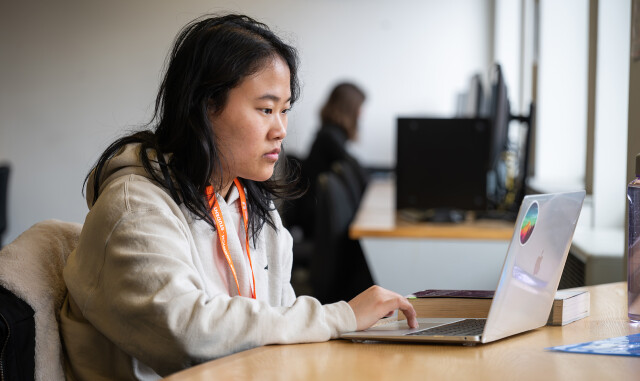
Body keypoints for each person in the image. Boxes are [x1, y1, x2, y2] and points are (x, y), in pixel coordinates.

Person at [59, 14, 417, 380]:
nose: (280, 130)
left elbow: (283, 323)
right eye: (265, 109)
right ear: (205, 106)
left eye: (285, 110)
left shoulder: (253, 204)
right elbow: (190, 334)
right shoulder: (134, 207)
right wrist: (341, 316)